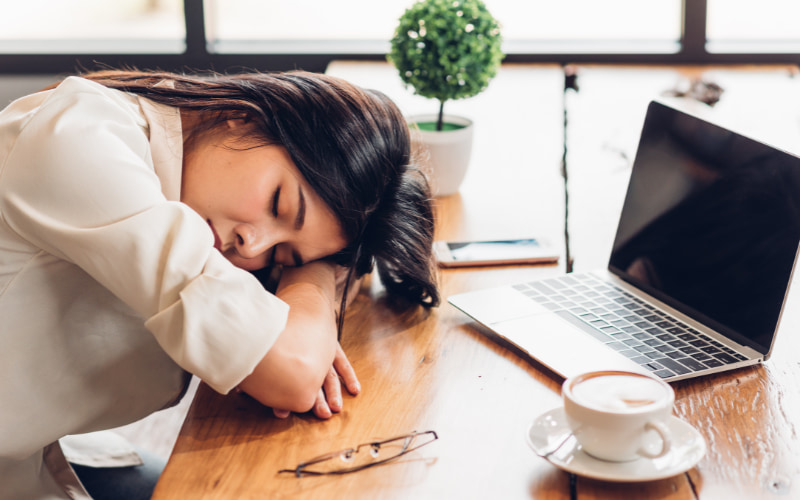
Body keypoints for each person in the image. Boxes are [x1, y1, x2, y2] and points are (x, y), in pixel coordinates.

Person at [0, 69, 440, 499]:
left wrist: (315, 265)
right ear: (245, 115)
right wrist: (317, 273)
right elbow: (292, 373)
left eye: (282, 255)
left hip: (38, 454)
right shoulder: (80, 140)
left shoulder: (184, 168)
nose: (253, 247)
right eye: (278, 203)